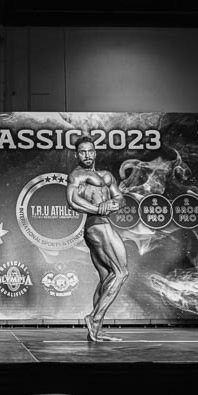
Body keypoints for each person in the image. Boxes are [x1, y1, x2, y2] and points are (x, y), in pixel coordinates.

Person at [66, 136, 129, 342]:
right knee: (121, 273)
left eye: (90, 151)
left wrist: (111, 204)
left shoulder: (105, 175)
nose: (86, 155)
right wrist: (97, 209)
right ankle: (94, 318)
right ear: (77, 155)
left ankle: (96, 330)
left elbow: (120, 198)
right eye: (82, 152)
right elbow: (72, 200)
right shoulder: (77, 175)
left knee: (107, 278)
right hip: (97, 225)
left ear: (95, 152)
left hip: (100, 224)